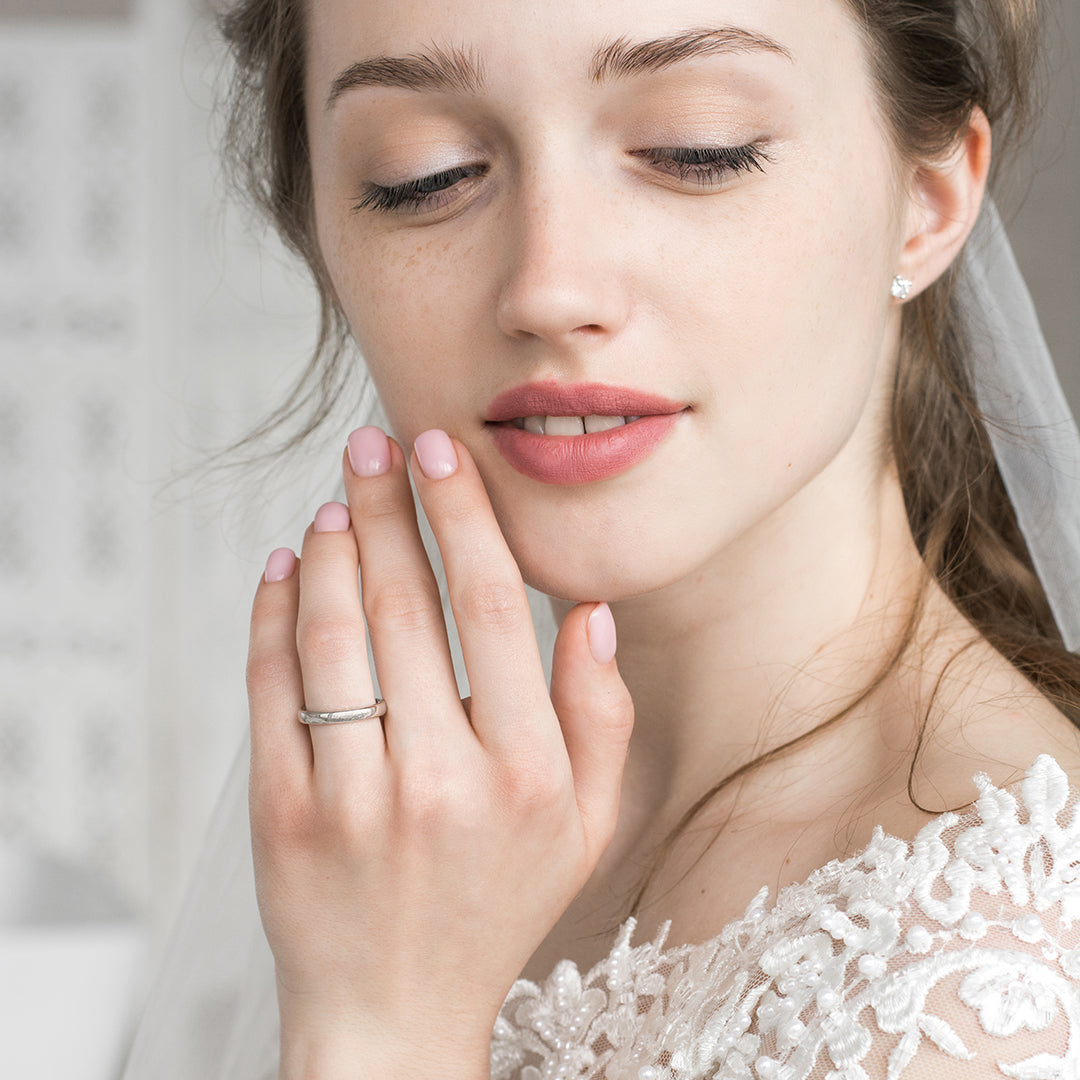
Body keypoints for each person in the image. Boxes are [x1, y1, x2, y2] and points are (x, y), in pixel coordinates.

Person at [122, 0, 1080, 1077]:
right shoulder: (405, 843)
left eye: (693, 150)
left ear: (929, 199)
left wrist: (381, 1035)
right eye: (423, 175)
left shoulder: (986, 988)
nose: (548, 286)